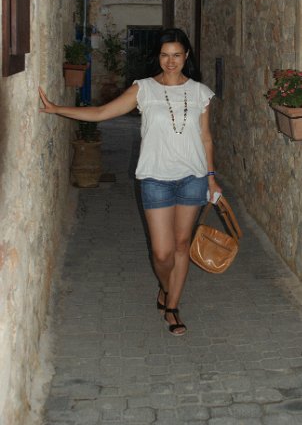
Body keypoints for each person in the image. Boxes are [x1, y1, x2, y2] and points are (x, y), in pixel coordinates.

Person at [39, 28, 221, 336]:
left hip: (193, 178)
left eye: (177, 55)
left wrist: (212, 178)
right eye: (165, 55)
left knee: (181, 245)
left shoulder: (200, 93)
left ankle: (172, 307)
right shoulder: (144, 89)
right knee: (162, 253)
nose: (171, 61)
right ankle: (166, 287)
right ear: (157, 57)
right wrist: (58, 109)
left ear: (186, 56)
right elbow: (102, 112)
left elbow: (206, 138)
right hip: (155, 179)